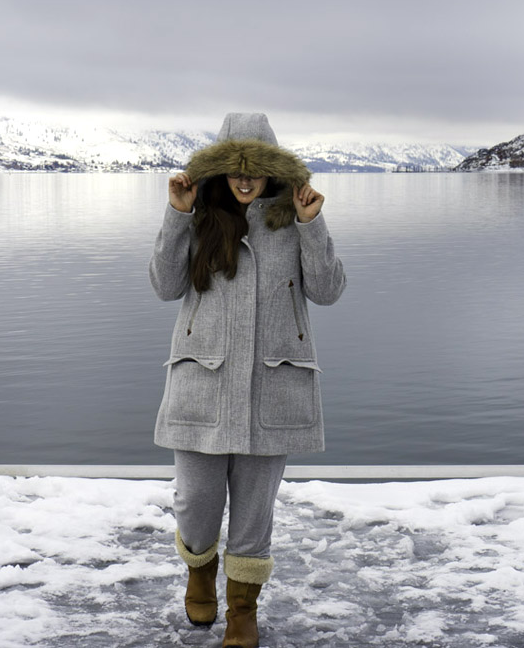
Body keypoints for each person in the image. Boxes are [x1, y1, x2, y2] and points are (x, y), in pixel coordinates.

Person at [149, 113, 346, 647]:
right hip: (201, 383)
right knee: (195, 502)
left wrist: (312, 225)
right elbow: (165, 286)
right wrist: (176, 215)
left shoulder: (294, 220)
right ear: (219, 171)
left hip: (272, 386)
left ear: (272, 172)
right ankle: (199, 576)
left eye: (255, 169)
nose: (244, 180)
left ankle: (242, 610)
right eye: (234, 170)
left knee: (256, 511)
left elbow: (328, 291)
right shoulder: (199, 218)